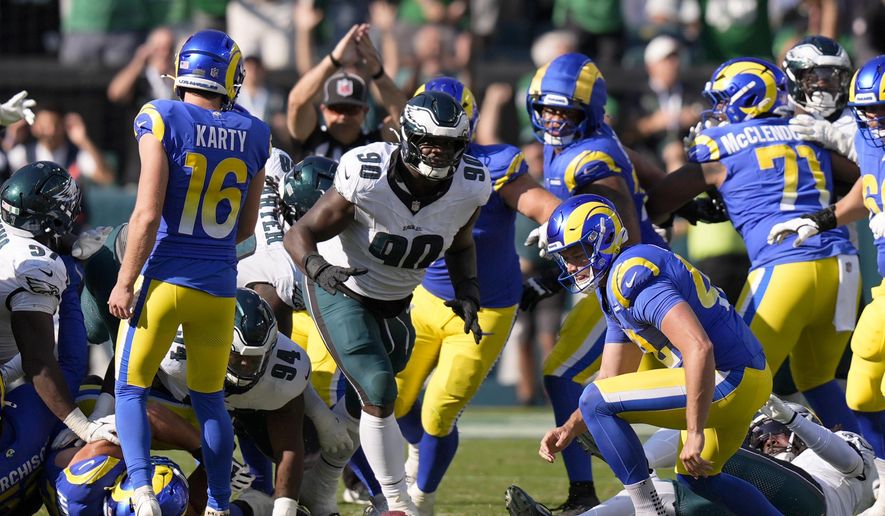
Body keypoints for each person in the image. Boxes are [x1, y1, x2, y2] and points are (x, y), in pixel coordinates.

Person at [284, 90, 491, 514]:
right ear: (408, 137)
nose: (439, 151)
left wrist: (467, 289)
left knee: (365, 406)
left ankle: (320, 478)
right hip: (341, 287)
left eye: (449, 144)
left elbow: (461, 243)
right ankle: (395, 503)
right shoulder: (370, 173)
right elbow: (299, 234)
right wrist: (320, 270)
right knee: (379, 390)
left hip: (397, 301)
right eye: (430, 141)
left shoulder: (471, 184)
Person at [645, 56, 862, 432]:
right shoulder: (804, 131)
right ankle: (874, 473)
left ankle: (685, 482)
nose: (719, 111)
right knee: (818, 381)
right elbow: (862, 177)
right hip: (843, 267)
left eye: (724, 101)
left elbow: (662, 198)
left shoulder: (722, 145)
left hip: (784, 267)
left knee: (729, 381)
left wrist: (684, 211)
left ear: (748, 99)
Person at [107, 29, 271, 516]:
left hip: (162, 277)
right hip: (218, 286)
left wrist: (123, 279)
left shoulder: (160, 116)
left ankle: (142, 493)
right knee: (210, 400)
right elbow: (246, 227)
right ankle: (219, 505)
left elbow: (146, 212)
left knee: (130, 389)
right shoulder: (256, 132)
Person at [538, 194, 777, 516]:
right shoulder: (616, 282)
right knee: (700, 480)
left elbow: (698, 346)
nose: (571, 266)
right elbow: (611, 376)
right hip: (749, 379)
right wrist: (569, 428)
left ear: (603, 240)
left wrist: (694, 432)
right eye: (564, 257)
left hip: (727, 379)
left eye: (577, 253)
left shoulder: (631, 278)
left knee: (595, 401)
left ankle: (649, 511)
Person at [393, 77, 562, 514]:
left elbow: (544, 208)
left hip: (484, 308)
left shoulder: (493, 165)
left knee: (438, 411)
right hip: (425, 297)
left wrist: (568, 234)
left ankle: (420, 500)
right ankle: (420, 453)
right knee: (391, 397)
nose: (435, 144)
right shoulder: (400, 162)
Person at [521, 52, 669, 513]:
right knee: (616, 388)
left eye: (564, 111)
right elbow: (639, 167)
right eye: (546, 109)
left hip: (628, 283)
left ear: (586, 112)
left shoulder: (591, 158)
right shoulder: (589, 141)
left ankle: (591, 491)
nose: (552, 119)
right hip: (627, 277)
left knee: (570, 375)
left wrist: (551, 271)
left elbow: (615, 225)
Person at [768, 54, 885, 515]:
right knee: (859, 390)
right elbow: (868, 188)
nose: (876, 118)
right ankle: (879, 471)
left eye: (884, 109)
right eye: (869, 109)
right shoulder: (869, 140)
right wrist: (820, 219)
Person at [157, 288, 349, 516]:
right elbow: (131, 390)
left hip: (238, 406)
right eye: (238, 358)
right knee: (163, 492)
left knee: (307, 446)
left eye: (255, 359)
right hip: (180, 405)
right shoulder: (176, 353)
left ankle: (257, 505)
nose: (247, 367)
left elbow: (288, 444)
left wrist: (284, 507)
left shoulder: (284, 370)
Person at [509, 396, 875, 516]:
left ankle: (635, 460)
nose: (766, 441)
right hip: (753, 502)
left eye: (771, 431)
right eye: (761, 434)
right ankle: (641, 464)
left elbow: (851, 463)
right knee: (662, 497)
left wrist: (795, 420)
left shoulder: (837, 446)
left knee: (705, 437)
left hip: (811, 501)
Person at [0, 247, 90, 513]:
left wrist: (70, 290)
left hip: (49, 490)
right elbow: (71, 365)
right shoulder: (29, 413)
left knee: (92, 472)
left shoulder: (30, 410)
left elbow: (71, 366)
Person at [286, 23, 406, 162]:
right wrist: (334, 60)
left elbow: (407, 119)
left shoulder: (377, 144)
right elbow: (296, 102)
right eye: (336, 109)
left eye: (351, 109)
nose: (343, 116)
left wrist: (376, 70)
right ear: (323, 110)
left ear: (365, 111)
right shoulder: (310, 138)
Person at [782, 35, 857, 162]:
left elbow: (878, 166)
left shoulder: (855, 120)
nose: (822, 84)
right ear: (795, 78)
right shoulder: (782, 112)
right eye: (813, 77)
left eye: (831, 78)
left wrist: (841, 141)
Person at [7, 105, 115, 185]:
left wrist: (84, 141)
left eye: (56, 125)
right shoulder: (23, 154)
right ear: (34, 127)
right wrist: (10, 139)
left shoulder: (77, 156)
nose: (51, 131)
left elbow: (107, 178)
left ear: (64, 126)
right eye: (45, 125)